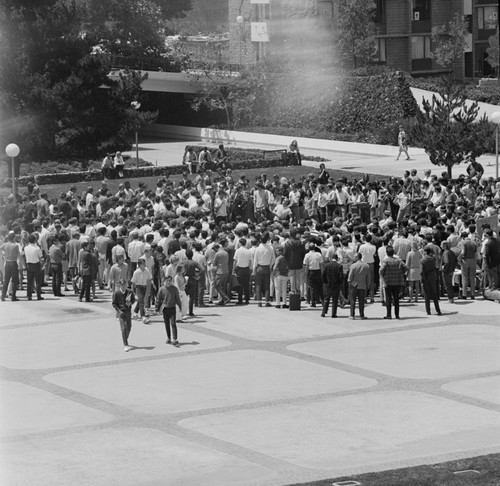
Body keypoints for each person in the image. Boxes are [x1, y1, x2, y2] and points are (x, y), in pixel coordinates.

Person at [379, 245, 407, 319]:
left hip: (388, 282)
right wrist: (401, 273)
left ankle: (389, 314)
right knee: (396, 298)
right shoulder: (398, 260)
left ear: (387, 253)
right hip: (397, 281)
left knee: (388, 298)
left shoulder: (386, 261)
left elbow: (381, 270)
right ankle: (397, 314)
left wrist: (383, 276)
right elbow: (406, 267)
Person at [155, 275, 182, 346]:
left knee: (173, 323)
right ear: (164, 281)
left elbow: (177, 299)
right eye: (167, 280)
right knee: (167, 324)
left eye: (170, 280)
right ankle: (168, 337)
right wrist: (157, 308)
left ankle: (175, 339)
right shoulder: (161, 289)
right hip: (165, 308)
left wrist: (180, 306)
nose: (168, 282)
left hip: (172, 308)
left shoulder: (174, 289)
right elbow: (158, 299)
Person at [112, 279, 135, 352]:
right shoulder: (116, 293)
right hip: (121, 312)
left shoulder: (130, 292)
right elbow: (114, 303)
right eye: (122, 285)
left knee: (129, 327)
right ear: (119, 285)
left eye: (124, 285)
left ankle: (125, 338)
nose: (123, 287)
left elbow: (133, 300)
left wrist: (130, 303)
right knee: (123, 328)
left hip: (128, 311)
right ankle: (125, 344)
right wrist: (118, 311)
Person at [420, 246, 442, 316]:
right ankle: (438, 310)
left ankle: (428, 311)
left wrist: (423, 278)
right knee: (435, 295)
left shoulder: (422, 260)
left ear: (425, 252)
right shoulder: (433, 259)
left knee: (427, 296)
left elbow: (421, 271)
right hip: (433, 277)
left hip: (426, 278)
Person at [347, 252, 370, 320]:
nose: (353, 258)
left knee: (353, 300)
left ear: (357, 257)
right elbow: (368, 277)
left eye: (354, 257)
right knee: (361, 301)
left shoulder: (353, 266)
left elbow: (350, 278)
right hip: (362, 285)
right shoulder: (366, 266)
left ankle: (352, 315)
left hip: (354, 285)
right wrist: (367, 285)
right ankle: (362, 315)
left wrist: (351, 283)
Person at [321, 253, 343, 318]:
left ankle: (323, 312)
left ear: (331, 258)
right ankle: (333, 314)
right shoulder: (339, 266)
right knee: (335, 300)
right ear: (337, 259)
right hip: (336, 285)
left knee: (326, 299)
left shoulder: (326, 265)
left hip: (328, 284)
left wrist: (325, 282)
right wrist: (339, 283)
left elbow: (323, 275)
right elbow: (341, 276)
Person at [131, 257, 152, 323]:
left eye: (144, 263)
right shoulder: (136, 272)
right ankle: (143, 316)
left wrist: (152, 285)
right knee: (141, 301)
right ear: (139, 265)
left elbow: (149, 278)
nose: (144, 265)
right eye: (142, 263)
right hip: (139, 287)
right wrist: (132, 291)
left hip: (144, 287)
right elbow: (133, 282)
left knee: (141, 301)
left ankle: (135, 312)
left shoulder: (147, 270)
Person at [1, 232, 20, 301]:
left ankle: (2, 296)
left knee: (6, 280)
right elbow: (18, 254)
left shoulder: (4, 244)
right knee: (14, 280)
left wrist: (3, 255)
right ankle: (13, 296)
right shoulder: (15, 246)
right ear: (13, 238)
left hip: (7, 262)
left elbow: (1, 249)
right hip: (13, 262)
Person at [24, 234, 44, 301]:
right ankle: (38, 295)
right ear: (35, 240)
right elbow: (41, 257)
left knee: (29, 281)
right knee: (38, 281)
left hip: (29, 265)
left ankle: (29, 295)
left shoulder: (26, 248)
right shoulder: (37, 248)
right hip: (36, 264)